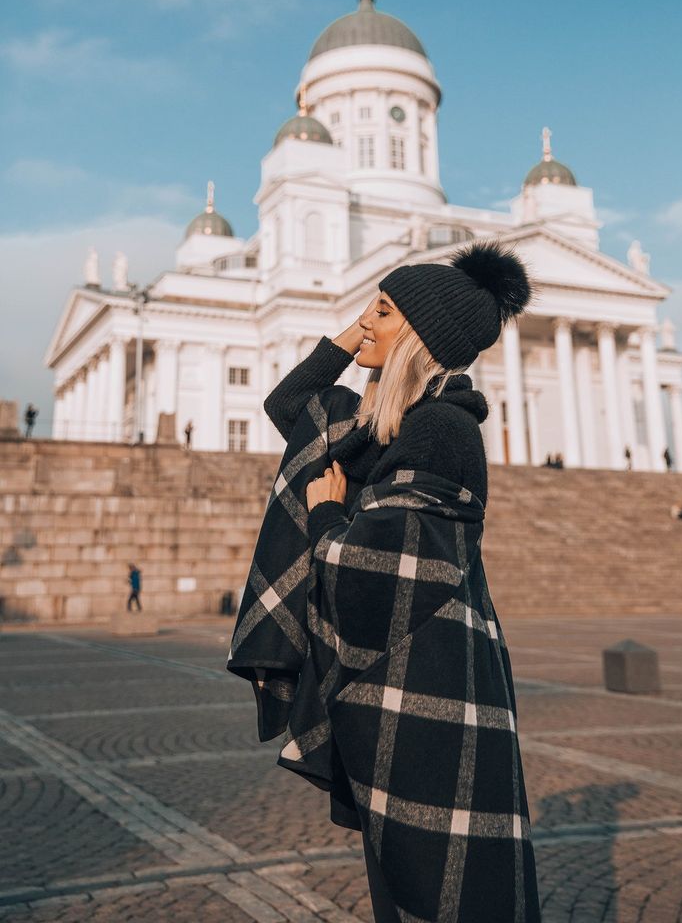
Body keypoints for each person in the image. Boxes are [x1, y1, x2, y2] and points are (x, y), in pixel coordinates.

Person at [227, 240, 541, 922]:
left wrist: (327, 513)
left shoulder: (439, 433)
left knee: (437, 883)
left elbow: (372, 578)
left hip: (429, 692)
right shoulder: (386, 424)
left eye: (383, 310)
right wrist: (364, 329)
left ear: (421, 337)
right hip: (394, 685)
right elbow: (294, 407)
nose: (365, 320)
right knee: (402, 874)